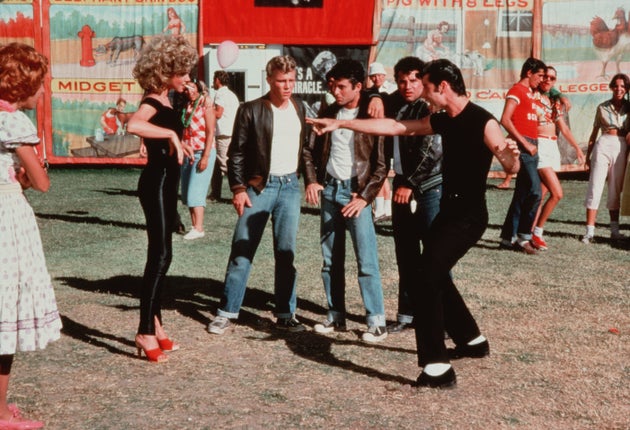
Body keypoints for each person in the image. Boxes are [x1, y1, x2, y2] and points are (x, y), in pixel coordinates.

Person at [307, 59, 520, 388]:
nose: (424, 94)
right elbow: (394, 127)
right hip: (448, 214)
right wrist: (342, 126)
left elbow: (509, 164)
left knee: (425, 278)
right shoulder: (444, 120)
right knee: (431, 274)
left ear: (442, 87)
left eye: (427, 87)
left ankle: (437, 367)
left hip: (469, 218)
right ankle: (472, 340)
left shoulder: (484, 121)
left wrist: (511, 154)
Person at [207, 56, 308, 335]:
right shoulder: (251, 109)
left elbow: (306, 148)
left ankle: (286, 314)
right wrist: (238, 189)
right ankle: (226, 312)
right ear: (269, 80)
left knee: (286, 253)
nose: (287, 86)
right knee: (242, 250)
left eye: (290, 80)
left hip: (289, 188)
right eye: (281, 81)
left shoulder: (299, 107)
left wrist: (310, 181)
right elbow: (236, 152)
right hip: (259, 187)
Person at [303, 59, 389, 343]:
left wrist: (365, 198)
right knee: (330, 260)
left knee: (366, 261)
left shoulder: (372, 114)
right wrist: (313, 180)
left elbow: (380, 166)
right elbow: (308, 151)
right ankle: (335, 316)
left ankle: (376, 322)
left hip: (356, 195)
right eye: (333, 86)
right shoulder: (327, 112)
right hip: (330, 192)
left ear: (358, 87)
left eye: (342, 87)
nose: (336, 91)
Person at [0, 42, 62, 429]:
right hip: (7, 219)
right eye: (39, 86)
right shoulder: (14, 124)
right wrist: (27, 175)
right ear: (22, 88)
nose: (43, 93)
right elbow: (41, 183)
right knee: (6, 311)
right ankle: (1, 413)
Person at [126, 35, 197, 362]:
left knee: (163, 256)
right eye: (181, 72)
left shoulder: (169, 100)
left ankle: (155, 324)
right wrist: (169, 134)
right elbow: (134, 124)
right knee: (160, 255)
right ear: (165, 71)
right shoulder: (153, 100)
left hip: (168, 183)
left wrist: (181, 143)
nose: (186, 77)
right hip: (155, 183)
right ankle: (144, 330)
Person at [382, 56, 444, 334]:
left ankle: (443, 320)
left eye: (413, 80)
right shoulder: (397, 104)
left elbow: (431, 149)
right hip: (402, 186)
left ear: (423, 81)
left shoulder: (429, 107)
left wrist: (410, 182)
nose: (407, 85)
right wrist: (373, 95)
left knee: (435, 255)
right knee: (405, 252)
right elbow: (375, 96)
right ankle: (407, 315)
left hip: (428, 187)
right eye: (402, 81)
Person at [530, 66, 585, 250]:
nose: (548, 80)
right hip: (540, 145)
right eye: (545, 76)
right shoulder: (532, 96)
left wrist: (577, 148)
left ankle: (529, 231)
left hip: (552, 147)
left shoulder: (553, 102)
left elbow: (564, 128)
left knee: (542, 193)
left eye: (552, 78)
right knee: (557, 193)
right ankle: (537, 232)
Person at [499, 57, 546, 254]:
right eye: (540, 75)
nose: (542, 79)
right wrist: (525, 143)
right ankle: (524, 237)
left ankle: (506, 237)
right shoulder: (517, 91)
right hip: (524, 145)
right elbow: (505, 119)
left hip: (532, 145)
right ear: (529, 73)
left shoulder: (530, 93)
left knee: (522, 194)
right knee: (535, 192)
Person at [581, 73, 630, 243]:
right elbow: (594, 133)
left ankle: (614, 231)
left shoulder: (629, 107)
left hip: (621, 146)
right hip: (603, 144)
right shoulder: (602, 107)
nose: (619, 89)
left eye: (623, 87)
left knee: (615, 189)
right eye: (616, 86)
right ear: (611, 87)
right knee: (595, 186)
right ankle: (589, 231)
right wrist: (588, 156)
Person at [180, 79, 216, 240]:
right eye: (186, 89)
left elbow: (210, 132)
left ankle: (199, 227)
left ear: (200, 89)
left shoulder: (206, 105)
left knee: (197, 191)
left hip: (202, 151)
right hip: (189, 150)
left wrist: (206, 156)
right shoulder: (186, 105)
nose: (189, 92)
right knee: (187, 191)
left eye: (192, 88)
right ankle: (194, 226)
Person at [367, 62, 395, 221]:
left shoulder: (391, 91)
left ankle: (382, 209)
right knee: (381, 174)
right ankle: (383, 209)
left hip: (387, 137)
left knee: (379, 172)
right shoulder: (370, 93)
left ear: (384, 76)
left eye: (379, 75)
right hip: (375, 136)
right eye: (373, 76)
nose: (377, 78)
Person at [209, 70, 240, 201]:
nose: (212, 82)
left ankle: (240, 192)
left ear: (217, 80)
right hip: (231, 132)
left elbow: (218, 113)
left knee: (225, 165)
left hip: (223, 134)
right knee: (217, 167)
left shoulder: (220, 94)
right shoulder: (232, 95)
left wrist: (206, 110)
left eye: (213, 79)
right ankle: (215, 193)